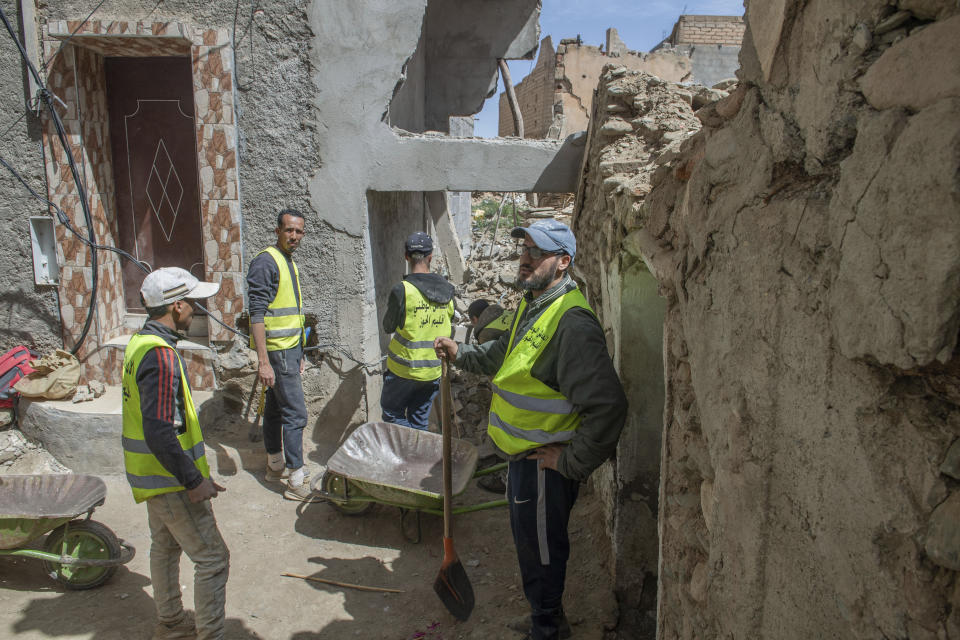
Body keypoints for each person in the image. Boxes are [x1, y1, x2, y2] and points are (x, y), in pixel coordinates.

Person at [434, 219, 628, 640]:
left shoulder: (572, 324)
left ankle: (547, 630)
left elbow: (609, 407)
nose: (525, 259)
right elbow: (505, 354)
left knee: (541, 555)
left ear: (563, 262)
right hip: (522, 457)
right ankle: (549, 618)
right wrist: (462, 352)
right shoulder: (533, 301)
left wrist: (572, 461)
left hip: (545, 466)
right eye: (524, 250)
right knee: (530, 548)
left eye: (536, 253)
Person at [121, 267, 230, 640]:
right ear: (177, 306)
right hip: (172, 481)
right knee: (213, 559)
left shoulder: (139, 344)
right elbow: (159, 431)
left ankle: (170, 623)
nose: (197, 310)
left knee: (165, 547)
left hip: (154, 477)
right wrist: (193, 479)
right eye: (193, 303)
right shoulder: (161, 356)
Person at [246, 208, 315, 501]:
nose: (294, 236)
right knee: (296, 413)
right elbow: (257, 313)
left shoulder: (287, 262)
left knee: (274, 408)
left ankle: (275, 463)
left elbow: (289, 313)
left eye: (299, 232)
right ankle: (296, 479)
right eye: (289, 230)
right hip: (278, 352)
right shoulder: (266, 262)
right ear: (277, 231)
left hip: (289, 349)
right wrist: (263, 361)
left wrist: (300, 350)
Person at [381, 231, 455, 430]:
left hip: (403, 370)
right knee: (419, 418)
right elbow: (450, 328)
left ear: (406, 256)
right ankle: (417, 454)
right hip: (433, 370)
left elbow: (388, 326)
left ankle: (407, 452)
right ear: (431, 257)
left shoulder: (402, 290)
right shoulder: (448, 290)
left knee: (392, 413)